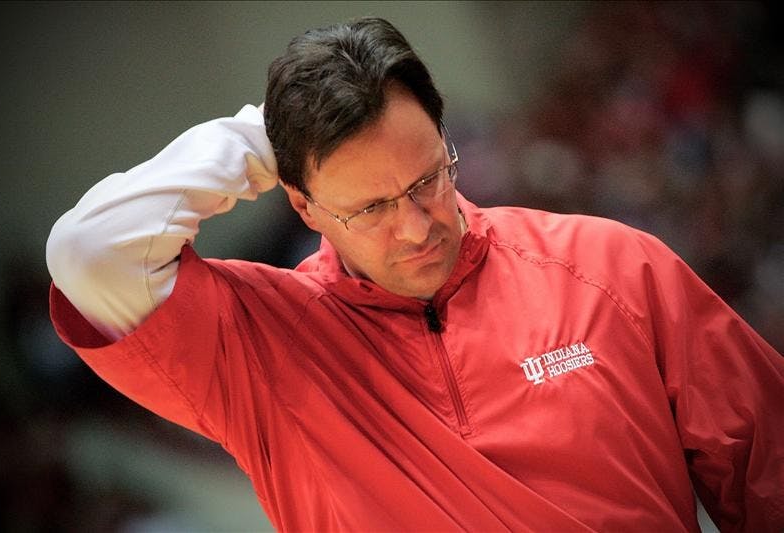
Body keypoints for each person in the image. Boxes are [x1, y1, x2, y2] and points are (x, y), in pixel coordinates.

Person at [46, 17, 782, 532]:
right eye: (369, 205)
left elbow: (770, 473)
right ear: (301, 201)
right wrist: (270, 132)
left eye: (428, 177)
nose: (417, 224)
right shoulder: (257, 345)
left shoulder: (611, 265)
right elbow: (90, 250)